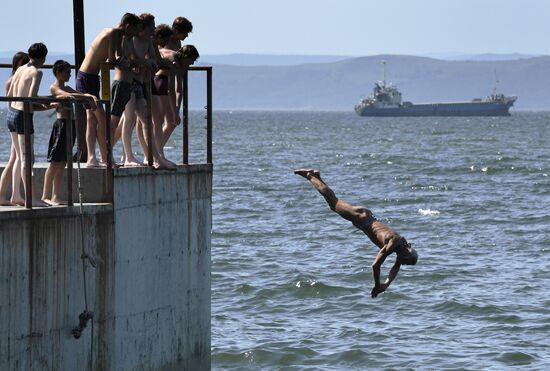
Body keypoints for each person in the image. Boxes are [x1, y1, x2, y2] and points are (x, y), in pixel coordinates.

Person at [294, 169, 418, 298]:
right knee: (333, 203)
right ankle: (310, 176)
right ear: (405, 255)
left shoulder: (402, 247)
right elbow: (375, 265)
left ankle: (317, 177)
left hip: (364, 219)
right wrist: (377, 285)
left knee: (333, 203)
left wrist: (386, 284)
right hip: (361, 217)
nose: (401, 263)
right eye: (404, 262)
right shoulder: (394, 243)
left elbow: (395, 267)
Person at [76, 12, 142, 167]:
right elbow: (113, 60)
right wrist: (127, 64)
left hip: (91, 77)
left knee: (92, 119)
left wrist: (126, 62)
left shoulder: (119, 35)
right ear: (127, 26)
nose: (135, 34)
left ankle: (93, 158)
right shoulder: (114, 33)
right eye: (135, 30)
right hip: (86, 78)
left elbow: (117, 58)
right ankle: (106, 158)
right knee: (103, 119)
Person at [109, 14, 174, 170]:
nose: (154, 28)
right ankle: (127, 156)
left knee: (146, 118)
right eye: (151, 26)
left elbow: (154, 59)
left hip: (138, 83)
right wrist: (144, 63)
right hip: (125, 82)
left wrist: (148, 63)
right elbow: (126, 59)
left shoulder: (149, 41)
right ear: (143, 27)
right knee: (128, 119)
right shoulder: (129, 39)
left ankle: (156, 157)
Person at [42, 60, 97, 205]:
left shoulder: (67, 87)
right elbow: (65, 95)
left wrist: (90, 96)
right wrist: (82, 97)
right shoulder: (54, 88)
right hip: (61, 125)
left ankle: (55, 196)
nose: (69, 74)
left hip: (70, 125)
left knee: (63, 163)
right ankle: (45, 195)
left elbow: (78, 93)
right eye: (67, 72)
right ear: (58, 73)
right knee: (54, 163)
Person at [6, 43, 53, 207]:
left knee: (19, 157)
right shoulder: (36, 72)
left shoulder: (20, 69)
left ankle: (16, 196)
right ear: (43, 58)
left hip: (11, 114)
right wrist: (48, 101)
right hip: (23, 117)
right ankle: (30, 199)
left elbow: (11, 94)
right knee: (28, 159)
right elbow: (32, 97)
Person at [0, 52, 29, 205]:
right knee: (14, 159)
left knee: (14, 159)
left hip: (13, 119)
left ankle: (10, 194)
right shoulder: (13, 80)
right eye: (23, 63)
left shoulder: (13, 79)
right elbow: (13, 103)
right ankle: (5, 194)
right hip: (16, 120)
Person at [156, 44, 199, 147]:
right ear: (185, 57)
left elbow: (179, 89)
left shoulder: (182, 66)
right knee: (160, 121)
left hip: (165, 87)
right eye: (191, 60)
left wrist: (177, 108)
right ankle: (155, 152)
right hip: (159, 83)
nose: (192, 63)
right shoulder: (174, 61)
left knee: (172, 123)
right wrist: (174, 112)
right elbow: (170, 89)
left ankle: (157, 150)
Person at [165, 16, 193, 121]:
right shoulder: (165, 42)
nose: (186, 36)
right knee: (162, 120)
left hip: (171, 80)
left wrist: (177, 107)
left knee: (172, 121)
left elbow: (178, 86)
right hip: (161, 82)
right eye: (185, 32)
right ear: (176, 30)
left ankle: (159, 138)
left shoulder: (178, 43)